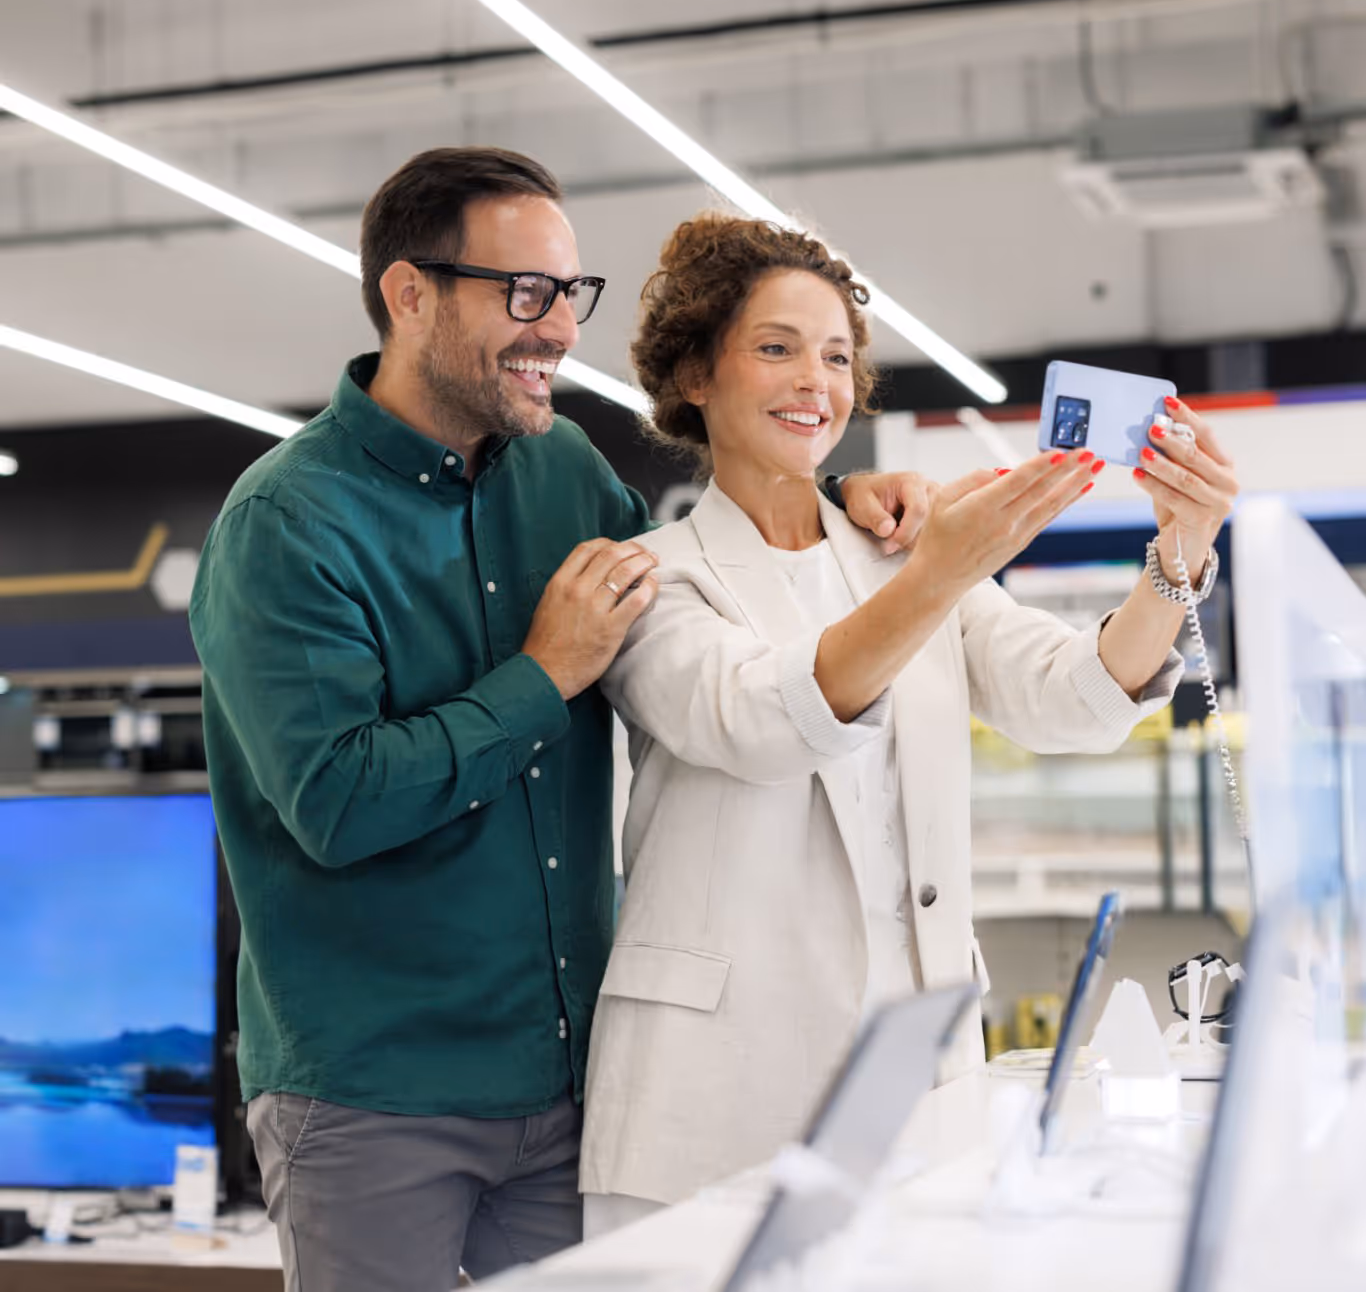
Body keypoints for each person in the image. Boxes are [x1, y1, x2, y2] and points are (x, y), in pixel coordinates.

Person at [188, 147, 932, 1292]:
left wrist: (834, 504)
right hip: (374, 1097)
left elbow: (701, 585)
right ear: (409, 292)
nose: (558, 329)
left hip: (572, 1081)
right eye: (523, 294)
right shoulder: (287, 523)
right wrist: (543, 674)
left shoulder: (568, 473)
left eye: (569, 295)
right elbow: (336, 800)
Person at [579, 213, 1239, 1234]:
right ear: (692, 373)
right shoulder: (657, 579)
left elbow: (1068, 698)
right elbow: (763, 719)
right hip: (710, 1101)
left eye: (837, 356)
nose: (817, 381)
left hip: (912, 1088)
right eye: (776, 348)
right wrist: (939, 572)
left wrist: (1177, 555)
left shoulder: (897, 554)